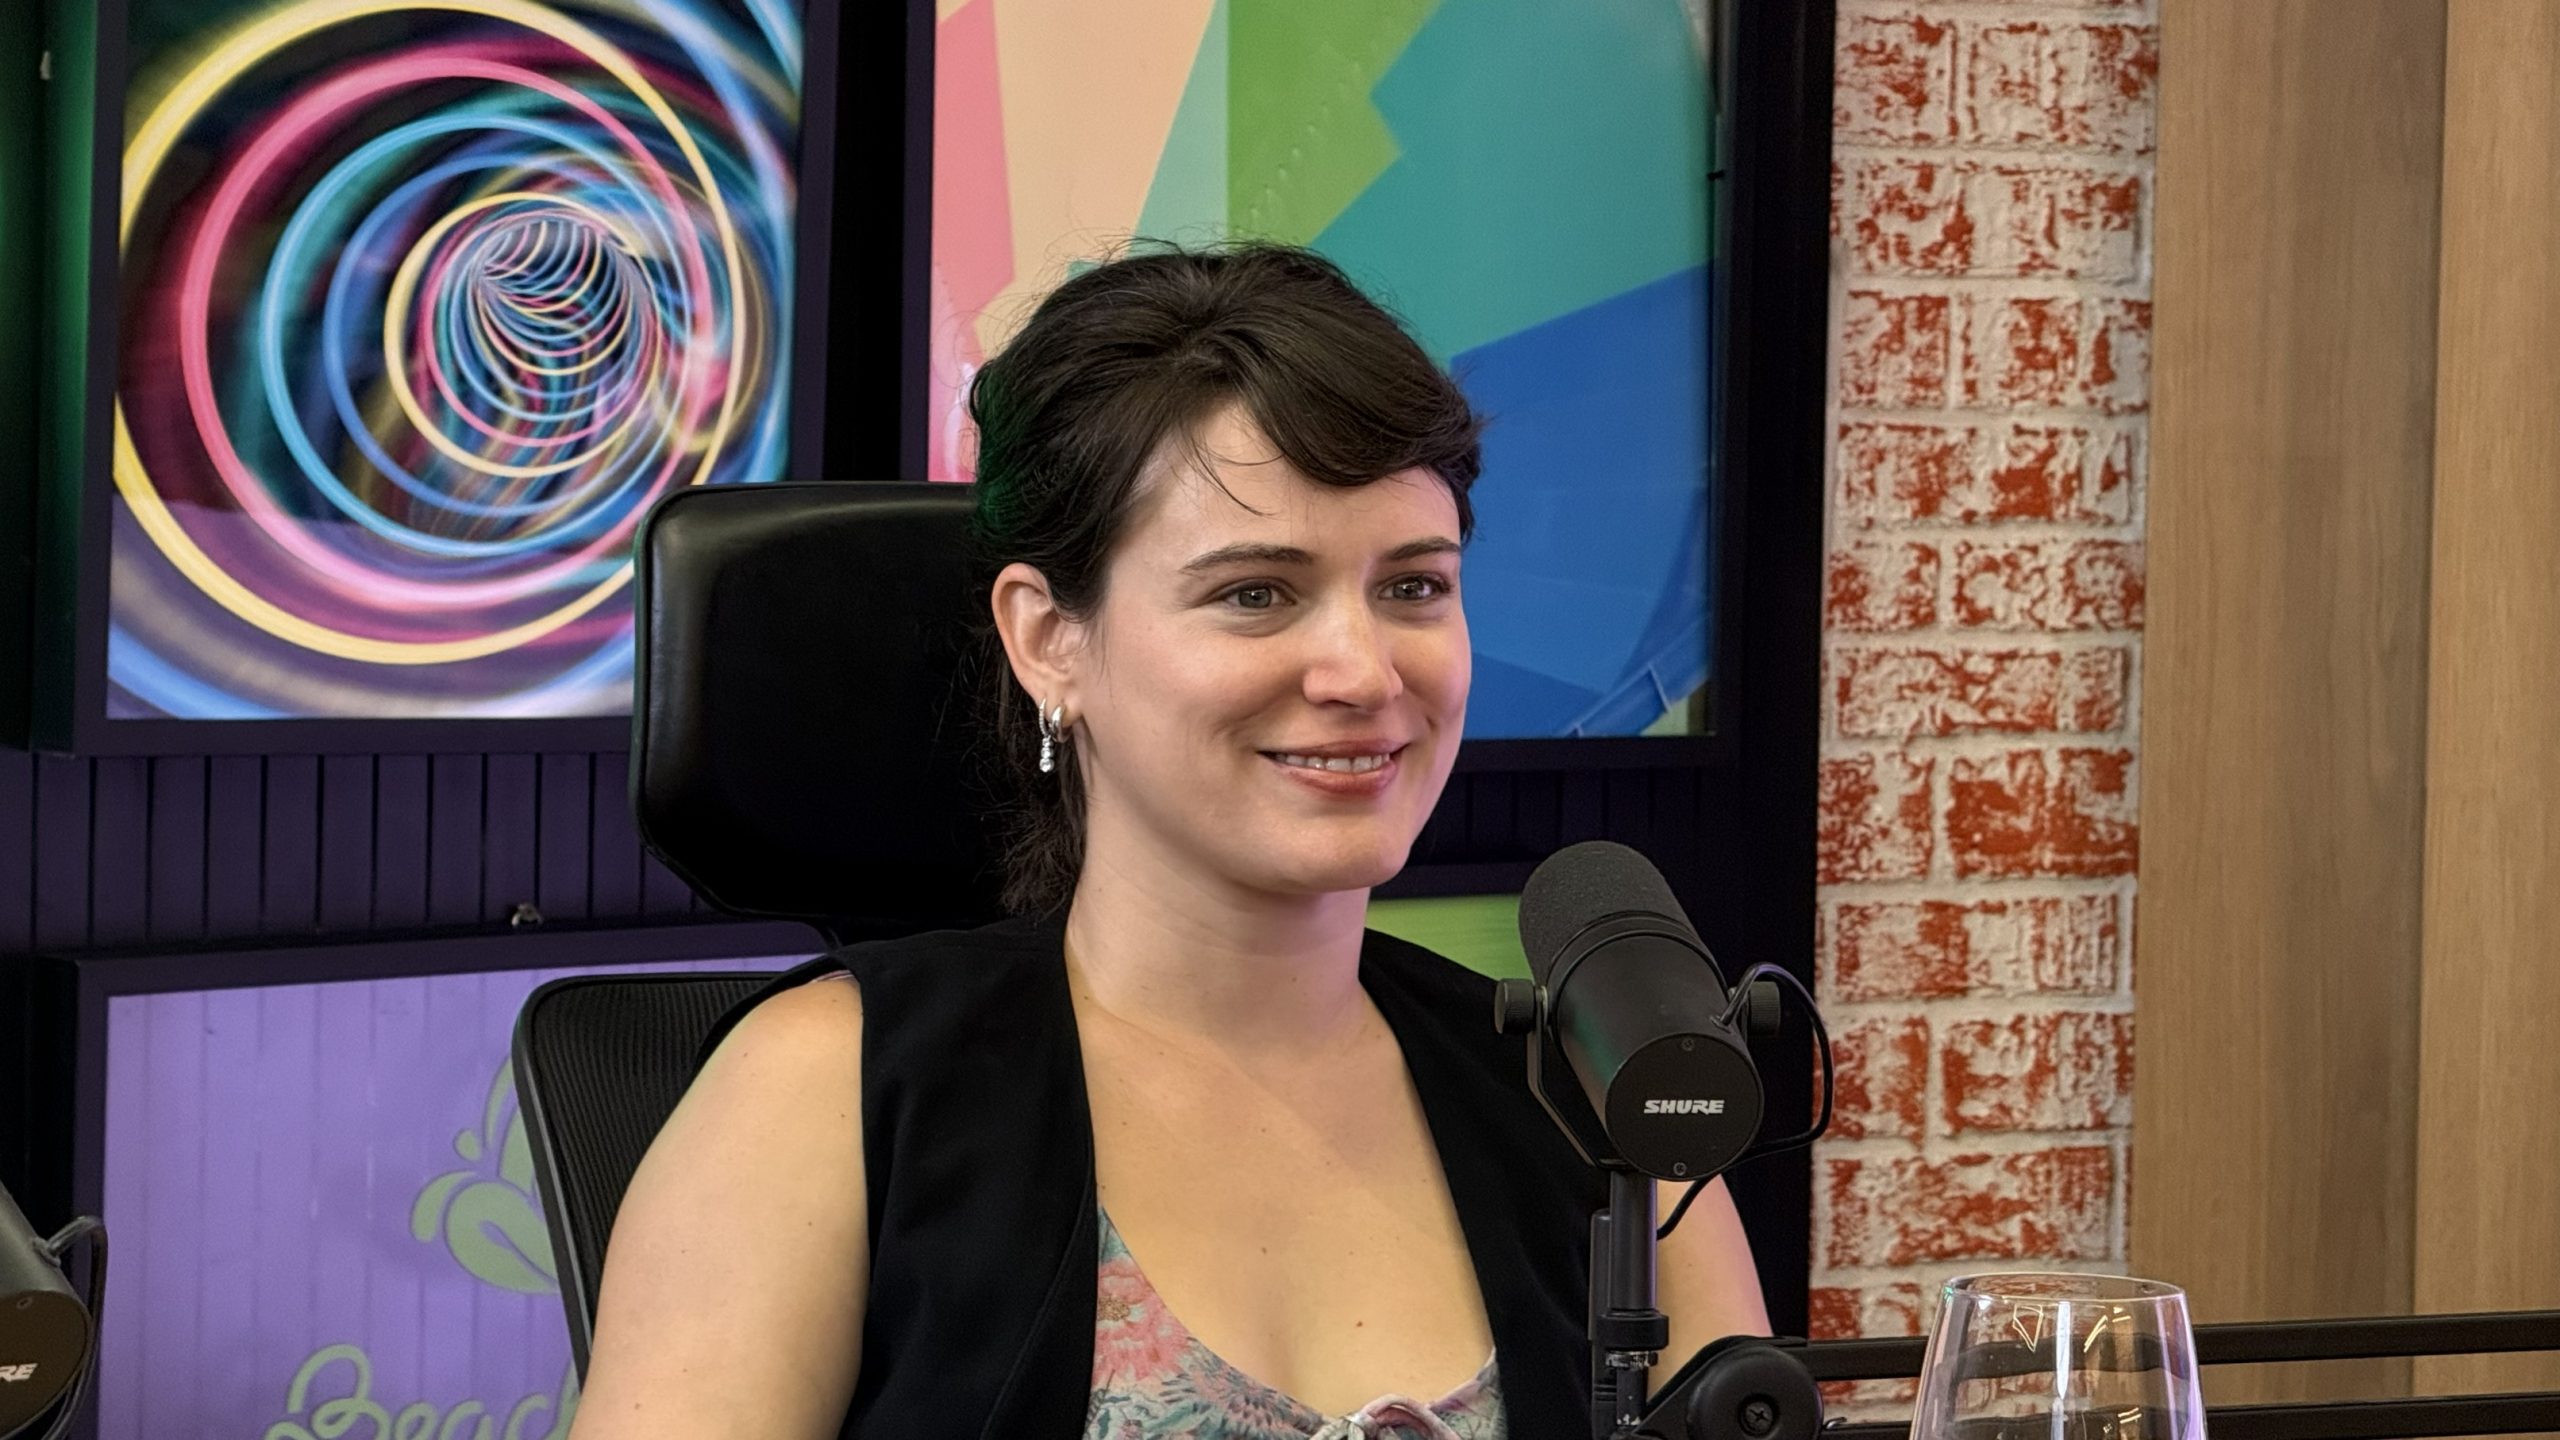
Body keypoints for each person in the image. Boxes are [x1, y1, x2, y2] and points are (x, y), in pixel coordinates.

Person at [569, 242, 1767, 1440]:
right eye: (1255, 593)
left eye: (1412, 587)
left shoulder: (1598, 1109)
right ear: (1049, 641)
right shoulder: (820, 1094)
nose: (1362, 673)